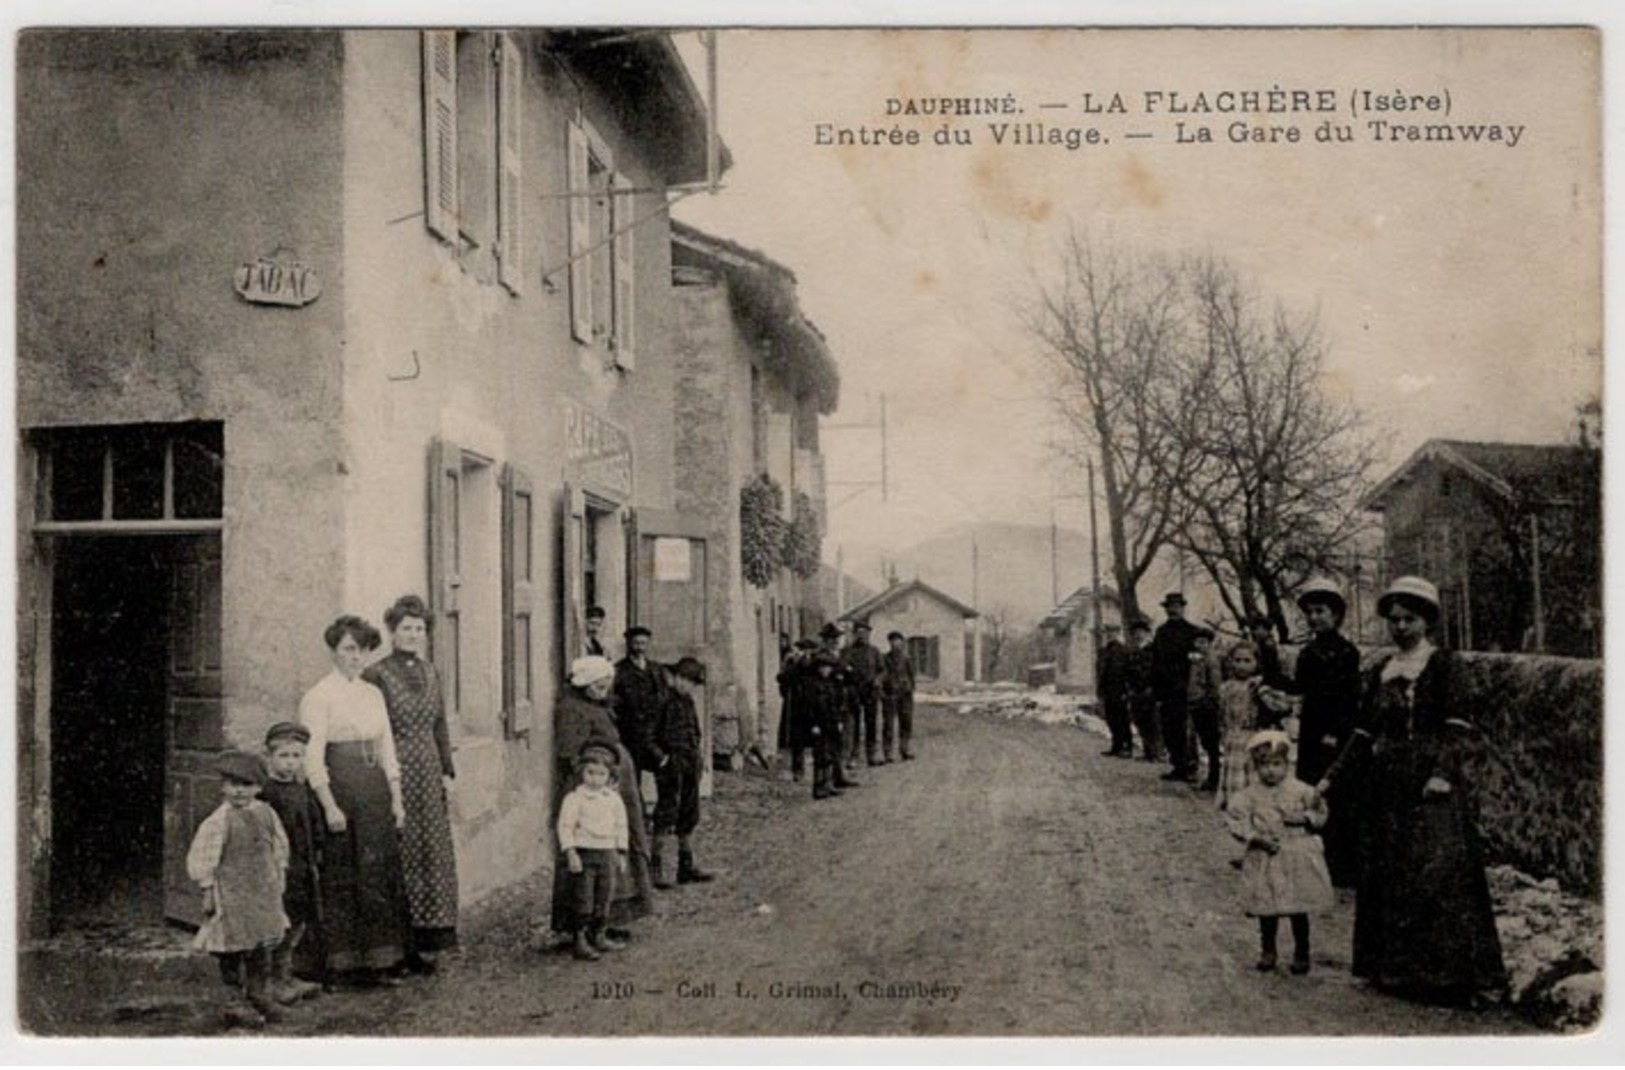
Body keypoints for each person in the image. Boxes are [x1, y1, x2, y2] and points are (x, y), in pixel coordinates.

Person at [1317, 576, 1507, 1003]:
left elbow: (1457, 728)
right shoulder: (1384, 669)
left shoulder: (1443, 665)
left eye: (1410, 619)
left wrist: (1442, 773)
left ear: (1428, 622)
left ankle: (1447, 978)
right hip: (1387, 785)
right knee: (1386, 870)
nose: (1401, 627)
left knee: (1436, 873)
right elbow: (1364, 732)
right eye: (1395, 620)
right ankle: (1393, 971)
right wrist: (1331, 776)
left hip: (1432, 784)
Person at [299, 614, 409, 987]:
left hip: (374, 789)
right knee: (343, 873)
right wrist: (329, 804)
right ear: (334, 650)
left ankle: (381, 959)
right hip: (340, 789)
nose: (356, 657)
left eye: (363, 650)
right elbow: (312, 756)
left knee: (377, 873)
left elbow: (387, 748)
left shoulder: (373, 694)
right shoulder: (318, 697)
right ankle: (344, 965)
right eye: (348, 649)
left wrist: (396, 799)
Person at [362, 594, 458, 972]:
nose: (413, 635)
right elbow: (374, 731)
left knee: (429, 853)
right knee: (398, 854)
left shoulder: (432, 672)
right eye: (406, 628)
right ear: (391, 631)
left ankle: (427, 942)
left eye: (419, 629)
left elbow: (439, 724)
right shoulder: (377, 675)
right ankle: (395, 948)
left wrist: (447, 769)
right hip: (395, 770)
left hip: (428, 769)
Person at [551, 655, 653, 948]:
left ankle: (609, 918)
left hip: (614, 788)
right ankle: (581, 926)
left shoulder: (599, 706)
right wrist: (599, 783)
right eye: (597, 685)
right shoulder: (572, 709)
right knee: (592, 857)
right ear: (584, 683)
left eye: (606, 685)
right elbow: (573, 756)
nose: (602, 689)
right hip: (594, 791)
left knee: (617, 853)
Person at [186, 749, 290, 1026]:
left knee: (260, 942)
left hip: (262, 891)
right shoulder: (218, 822)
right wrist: (208, 890)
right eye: (233, 785)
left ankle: (259, 994)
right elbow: (204, 858)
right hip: (231, 894)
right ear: (223, 787)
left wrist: (279, 879)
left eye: (246, 785)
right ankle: (233, 1000)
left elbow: (279, 848)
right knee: (231, 946)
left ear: (258, 787)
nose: (239, 792)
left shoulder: (266, 813)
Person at [1224, 731, 1334, 975]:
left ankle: (1301, 951)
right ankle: (1268, 949)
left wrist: (1305, 817)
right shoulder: (1249, 795)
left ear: (1287, 764)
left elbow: (1320, 813)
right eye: (1264, 765)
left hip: (1296, 854)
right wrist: (1255, 837)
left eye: (1276, 764)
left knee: (1298, 905)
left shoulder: (1302, 791)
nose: (1270, 771)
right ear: (1255, 767)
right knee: (1267, 904)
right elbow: (1236, 819)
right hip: (1266, 856)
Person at [1288, 578, 1364, 888]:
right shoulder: (1308, 652)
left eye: (1321, 611)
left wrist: (1335, 732)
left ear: (1336, 615)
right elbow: (1302, 690)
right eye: (1310, 612)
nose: (1315, 617)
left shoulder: (1346, 652)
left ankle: (1341, 864)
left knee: (1337, 793)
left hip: (1335, 730)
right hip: (1311, 729)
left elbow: (1347, 697)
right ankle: (1313, 860)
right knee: (1311, 790)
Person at [260, 722, 325, 1003]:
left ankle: (285, 975)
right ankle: (269, 981)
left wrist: (318, 852)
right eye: (284, 756)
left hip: (302, 867)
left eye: (297, 756)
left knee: (297, 921)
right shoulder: (266, 793)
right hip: (277, 870)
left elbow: (314, 824)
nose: (290, 763)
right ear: (270, 757)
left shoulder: (301, 789)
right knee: (278, 923)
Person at [556, 743, 629, 962]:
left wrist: (621, 852)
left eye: (601, 774)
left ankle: (599, 934)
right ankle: (579, 939)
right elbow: (565, 826)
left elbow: (620, 825)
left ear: (609, 775)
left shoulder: (613, 799)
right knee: (584, 897)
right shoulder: (574, 799)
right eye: (590, 773)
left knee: (604, 895)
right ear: (581, 773)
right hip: (585, 853)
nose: (595, 779)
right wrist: (571, 852)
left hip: (607, 853)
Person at [650, 657, 717, 888]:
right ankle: (654, 868)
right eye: (686, 681)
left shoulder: (687, 701)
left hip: (689, 760)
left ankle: (685, 867)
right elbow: (647, 736)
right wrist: (661, 758)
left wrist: (698, 756)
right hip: (671, 762)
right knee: (666, 811)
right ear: (676, 678)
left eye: (693, 683)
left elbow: (695, 730)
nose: (689, 686)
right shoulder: (661, 700)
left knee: (689, 811)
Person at [1150, 592, 1202, 782]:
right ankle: (1177, 765)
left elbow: (1198, 662)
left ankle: (1190, 767)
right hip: (1166, 689)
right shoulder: (1161, 632)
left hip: (1186, 689)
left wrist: (1194, 686)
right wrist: (1155, 689)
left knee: (1187, 730)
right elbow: (1155, 661)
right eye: (1170, 607)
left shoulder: (1193, 632)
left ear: (1182, 608)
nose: (1173, 610)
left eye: (1177, 606)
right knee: (1170, 729)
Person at [613, 625, 667, 780]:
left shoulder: (656, 669)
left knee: (662, 770)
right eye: (636, 643)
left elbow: (664, 695)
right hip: (630, 731)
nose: (640, 648)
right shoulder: (619, 670)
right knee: (632, 773)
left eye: (643, 643)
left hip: (653, 731)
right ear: (629, 644)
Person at [1215, 642, 1266, 810]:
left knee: (1252, 771)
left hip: (1253, 734)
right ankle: (1234, 802)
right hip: (1233, 734)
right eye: (1237, 660)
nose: (1241, 665)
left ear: (1256, 663)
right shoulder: (1226, 687)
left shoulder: (1257, 685)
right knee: (1234, 770)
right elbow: (1222, 713)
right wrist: (1223, 731)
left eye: (1247, 660)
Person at [817, 623, 861, 787]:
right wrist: (844, 671)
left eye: (836, 639)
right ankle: (828, 780)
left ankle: (839, 775)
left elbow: (852, 676)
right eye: (831, 639)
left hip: (843, 703)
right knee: (829, 744)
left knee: (842, 741)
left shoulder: (839, 657)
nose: (835, 642)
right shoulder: (822, 658)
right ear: (825, 641)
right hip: (829, 706)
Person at [806, 651, 849, 800]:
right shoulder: (812, 685)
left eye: (828, 667)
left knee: (831, 753)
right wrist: (813, 724)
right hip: (819, 725)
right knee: (820, 755)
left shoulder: (830, 684)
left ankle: (828, 784)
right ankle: (818, 787)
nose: (826, 670)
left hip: (830, 724)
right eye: (823, 667)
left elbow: (834, 706)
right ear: (818, 668)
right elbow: (809, 707)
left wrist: (838, 722)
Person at [842, 620, 885, 766]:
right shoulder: (847, 651)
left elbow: (882, 670)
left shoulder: (874, 651)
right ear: (854, 634)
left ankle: (871, 754)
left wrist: (877, 680)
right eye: (858, 633)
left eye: (864, 633)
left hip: (870, 691)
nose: (861, 636)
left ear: (868, 634)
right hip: (854, 691)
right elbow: (842, 668)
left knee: (871, 723)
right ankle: (853, 756)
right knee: (853, 725)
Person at [1187, 627, 1225, 792]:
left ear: (1209, 643)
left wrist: (1209, 702)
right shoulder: (1197, 660)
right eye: (1197, 642)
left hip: (1206, 706)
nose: (1199, 645)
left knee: (1211, 743)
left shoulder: (1211, 660)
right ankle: (1213, 777)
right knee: (1206, 742)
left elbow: (1215, 685)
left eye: (1203, 642)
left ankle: (1215, 778)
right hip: (1196, 704)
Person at [777, 638, 820, 780]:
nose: (805, 653)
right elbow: (782, 678)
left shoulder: (817, 662)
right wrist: (792, 662)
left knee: (818, 737)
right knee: (797, 738)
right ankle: (798, 770)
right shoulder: (792, 663)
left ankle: (821, 770)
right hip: (797, 704)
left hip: (814, 704)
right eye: (803, 649)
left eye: (808, 649)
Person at [1124, 616, 1162, 762]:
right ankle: (1148, 751)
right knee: (1140, 721)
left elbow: (1157, 671)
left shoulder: (1153, 650)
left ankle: (1156, 753)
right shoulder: (1133, 652)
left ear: (1147, 634)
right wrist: (1130, 689)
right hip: (1136, 692)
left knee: (1152, 722)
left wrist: (1153, 688)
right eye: (1135, 633)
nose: (1138, 635)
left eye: (1141, 632)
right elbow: (1128, 672)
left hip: (1149, 691)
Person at [1095, 622, 1134, 758]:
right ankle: (1116, 746)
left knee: (1122, 719)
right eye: (1107, 633)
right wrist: (1100, 691)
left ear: (1118, 633)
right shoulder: (1103, 651)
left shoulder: (1124, 650)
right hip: (1108, 690)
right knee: (1111, 719)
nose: (1110, 635)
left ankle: (1127, 747)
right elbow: (1100, 672)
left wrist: (1127, 691)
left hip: (1120, 690)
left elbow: (1129, 672)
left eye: (1113, 632)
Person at [880, 630, 917, 762]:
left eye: (898, 640)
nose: (895, 643)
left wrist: (911, 690)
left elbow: (912, 676)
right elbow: (882, 676)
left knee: (906, 723)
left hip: (905, 695)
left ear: (901, 642)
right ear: (889, 643)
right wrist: (883, 693)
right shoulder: (884, 658)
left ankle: (905, 749)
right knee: (888, 724)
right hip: (890, 694)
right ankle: (888, 753)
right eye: (892, 641)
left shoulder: (907, 658)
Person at [1246, 614, 1290, 691]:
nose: (1256, 632)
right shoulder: (1260, 645)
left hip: (1272, 679)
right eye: (1254, 629)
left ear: (1267, 630)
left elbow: (1271, 667)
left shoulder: (1268, 645)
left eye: (1259, 629)